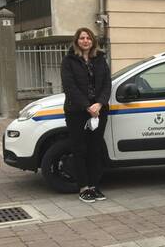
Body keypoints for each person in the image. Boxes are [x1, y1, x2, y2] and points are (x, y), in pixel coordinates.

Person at [61, 27, 111, 203]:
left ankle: (94, 186)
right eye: (82, 38)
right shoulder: (69, 61)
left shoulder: (100, 60)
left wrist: (99, 103)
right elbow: (70, 87)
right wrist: (87, 106)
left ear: (93, 41)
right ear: (77, 41)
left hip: (98, 111)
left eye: (88, 38)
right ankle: (83, 187)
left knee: (95, 149)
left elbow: (107, 84)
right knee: (80, 149)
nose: (85, 41)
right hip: (77, 112)